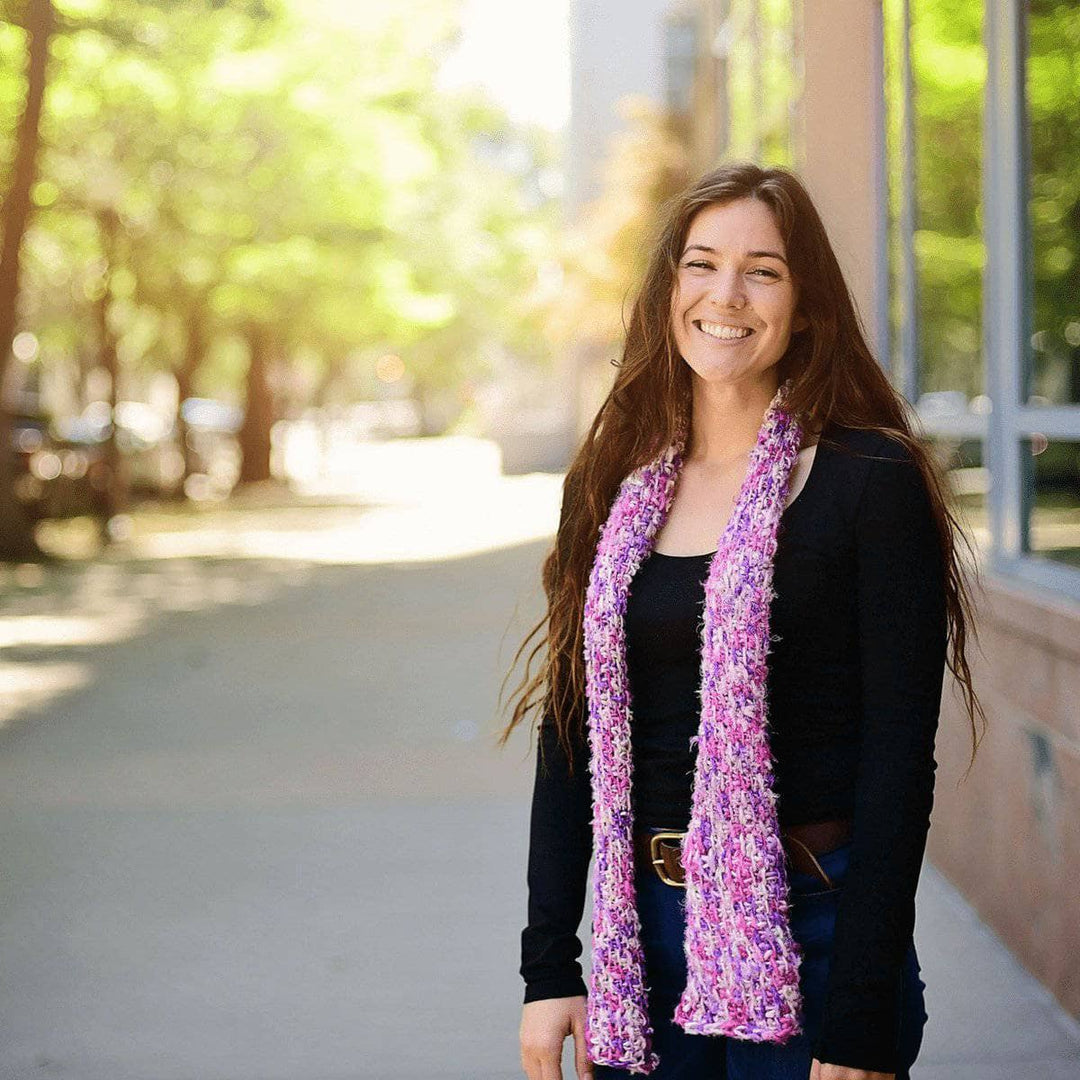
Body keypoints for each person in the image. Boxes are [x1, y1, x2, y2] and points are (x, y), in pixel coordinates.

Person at [499, 162, 986, 1080]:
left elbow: (896, 760)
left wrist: (862, 1013)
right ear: (669, 289)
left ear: (805, 306)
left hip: (814, 926)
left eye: (763, 269)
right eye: (701, 264)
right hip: (638, 935)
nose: (726, 295)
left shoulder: (867, 482)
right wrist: (547, 967)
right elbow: (568, 728)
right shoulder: (611, 483)